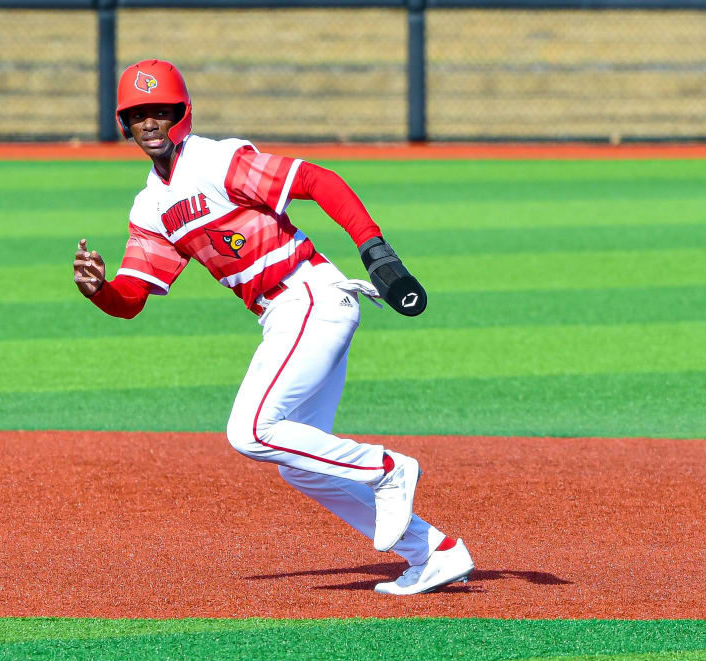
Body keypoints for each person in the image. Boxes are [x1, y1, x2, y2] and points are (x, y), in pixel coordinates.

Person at [73, 59, 473, 595]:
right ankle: (433, 554)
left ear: (182, 114)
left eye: (161, 112)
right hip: (283, 316)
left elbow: (316, 179)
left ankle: (388, 470)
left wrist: (373, 248)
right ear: (125, 124)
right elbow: (131, 300)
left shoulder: (218, 161)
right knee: (299, 465)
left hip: (310, 297)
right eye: (138, 114)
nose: (151, 124)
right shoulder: (150, 207)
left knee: (252, 431)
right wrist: (99, 289)